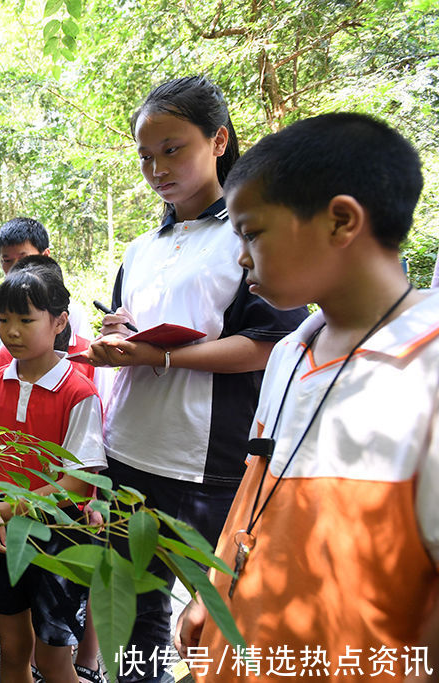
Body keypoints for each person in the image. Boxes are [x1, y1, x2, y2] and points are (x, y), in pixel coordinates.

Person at [173, 113, 439, 681]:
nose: (241, 256)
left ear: (341, 221)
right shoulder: (293, 350)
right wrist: (210, 595)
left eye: (252, 232)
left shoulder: (427, 371)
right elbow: (255, 490)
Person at [85, 76, 306, 682]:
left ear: (218, 141)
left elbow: (272, 342)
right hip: (128, 453)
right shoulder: (141, 247)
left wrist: (161, 358)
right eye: (146, 155)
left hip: (209, 467)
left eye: (172, 148)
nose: (157, 167)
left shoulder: (250, 233)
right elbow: (131, 327)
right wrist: (119, 336)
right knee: (134, 622)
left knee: (235, 622)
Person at [0, 264, 105, 683]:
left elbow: (78, 481)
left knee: (53, 659)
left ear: (59, 321)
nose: (12, 331)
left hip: (58, 538)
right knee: (13, 651)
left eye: (26, 319)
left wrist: (4, 510)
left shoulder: (78, 392)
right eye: (5, 319)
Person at [0, 217, 87, 377]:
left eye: (24, 258)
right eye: (7, 260)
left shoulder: (70, 312)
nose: (16, 268)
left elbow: (85, 362)